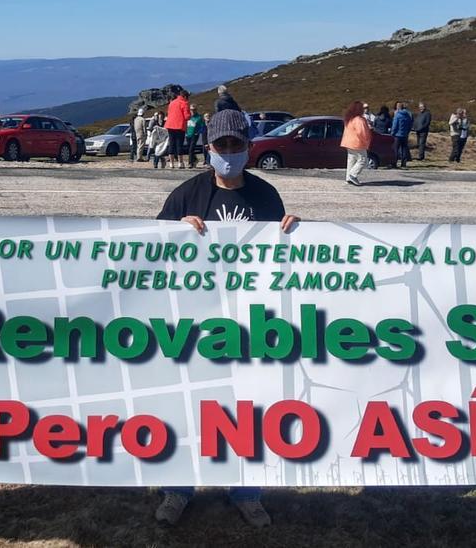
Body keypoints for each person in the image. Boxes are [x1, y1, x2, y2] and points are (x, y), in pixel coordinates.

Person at [154, 111, 299, 527]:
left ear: (248, 148)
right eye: (223, 147)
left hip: (249, 322)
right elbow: (151, 257)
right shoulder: (187, 194)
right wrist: (174, 232)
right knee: (187, 406)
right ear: (209, 149)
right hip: (195, 323)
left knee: (247, 409)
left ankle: (247, 492)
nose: (230, 154)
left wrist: (295, 233)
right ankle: (177, 491)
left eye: (237, 146)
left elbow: (284, 261)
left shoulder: (267, 196)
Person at [341, 101, 373, 186]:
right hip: (358, 143)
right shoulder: (359, 120)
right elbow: (362, 133)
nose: (365, 110)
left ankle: (348, 178)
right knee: (363, 160)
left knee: (351, 160)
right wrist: (367, 142)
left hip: (348, 143)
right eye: (364, 108)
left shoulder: (349, 118)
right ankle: (353, 175)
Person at [165, 88, 192, 169]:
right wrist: (190, 115)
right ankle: (180, 163)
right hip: (179, 126)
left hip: (170, 125)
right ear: (185, 96)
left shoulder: (172, 103)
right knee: (179, 144)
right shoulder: (184, 103)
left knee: (171, 144)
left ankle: (171, 163)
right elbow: (186, 116)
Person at [389, 101, 413, 168]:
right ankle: (404, 163)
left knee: (395, 149)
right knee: (404, 149)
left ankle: (394, 163)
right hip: (405, 135)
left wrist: (392, 133)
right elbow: (410, 125)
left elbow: (395, 125)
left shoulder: (397, 115)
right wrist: (407, 132)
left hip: (397, 135)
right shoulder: (408, 115)